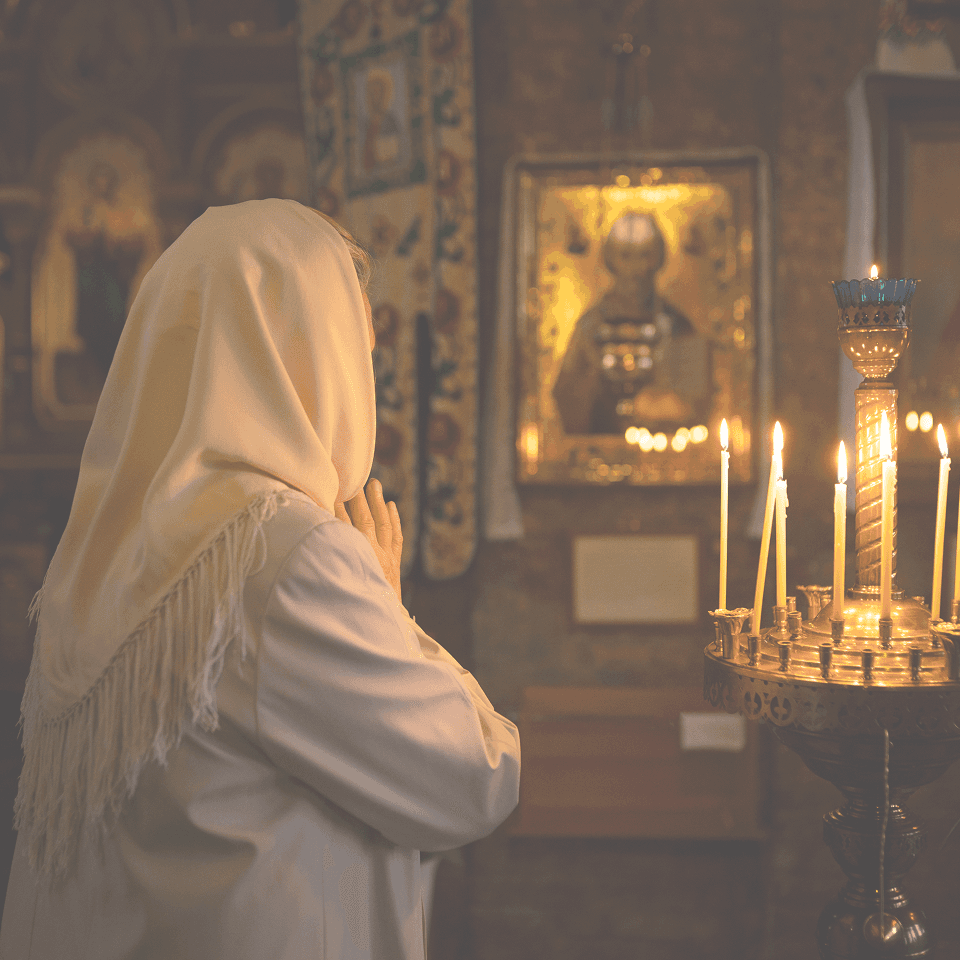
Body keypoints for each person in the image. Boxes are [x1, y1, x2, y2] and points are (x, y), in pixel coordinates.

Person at [0, 198, 520, 959]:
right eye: (356, 344)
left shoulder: (100, 545)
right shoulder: (290, 554)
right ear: (312, 353)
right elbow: (474, 779)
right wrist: (385, 601)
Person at [552, 211, 705, 436]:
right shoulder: (590, 327)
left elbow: (696, 401)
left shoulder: (678, 325)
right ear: (611, 259)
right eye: (626, 256)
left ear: (658, 258)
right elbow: (566, 396)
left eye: (644, 255)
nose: (636, 269)